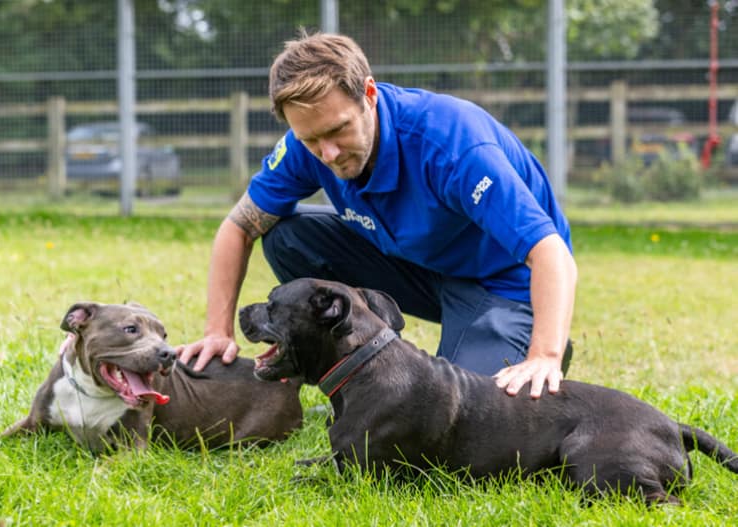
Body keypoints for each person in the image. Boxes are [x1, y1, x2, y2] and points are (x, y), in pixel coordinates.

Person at [175, 31, 577, 400]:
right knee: (287, 239)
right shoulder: (306, 145)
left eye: (338, 130)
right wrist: (217, 332)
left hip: (501, 283)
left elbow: (551, 254)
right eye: (310, 139)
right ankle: (354, 369)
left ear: (369, 94)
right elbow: (240, 227)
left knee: (452, 407)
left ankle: (528, 335)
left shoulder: (453, 144)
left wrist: (545, 353)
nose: (327, 153)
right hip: (419, 268)